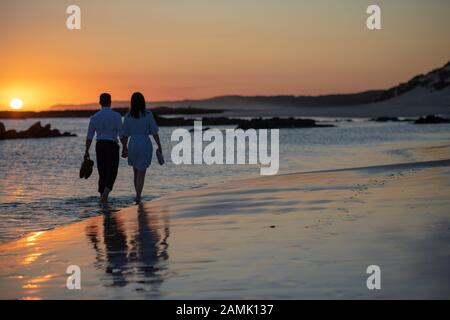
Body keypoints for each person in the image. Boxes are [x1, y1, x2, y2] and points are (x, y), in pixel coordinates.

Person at [120, 92, 162, 203]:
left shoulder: (128, 116)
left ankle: (137, 195)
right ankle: (138, 196)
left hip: (133, 143)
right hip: (144, 143)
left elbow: (124, 135)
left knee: (136, 172)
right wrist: (159, 145)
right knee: (142, 172)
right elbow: (154, 132)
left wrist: (124, 147)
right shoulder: (148, 114)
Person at [84, 93, 125, 204]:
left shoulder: (95, 117)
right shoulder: (116, 116)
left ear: (100, 102)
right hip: (112, 145)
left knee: (102, 172)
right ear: (110, 102)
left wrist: (86, 151)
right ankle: (105, 196)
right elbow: (121, 134)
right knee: (112, 171)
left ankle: (102, 198)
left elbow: (89, 136)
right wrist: (125, 147)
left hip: (100, 145)